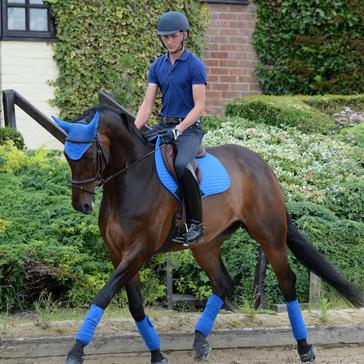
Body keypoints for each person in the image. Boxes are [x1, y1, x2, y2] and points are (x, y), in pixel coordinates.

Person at [134, 10, 206, 244]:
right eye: (165, 37)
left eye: (173, 36)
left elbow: (199, 107)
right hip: (164, 125)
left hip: (189, 129)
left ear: (184, 35)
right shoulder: (157, 66)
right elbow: (147, 104)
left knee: (182, 164)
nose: (169, 41)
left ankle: (196, 224)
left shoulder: (195, 65)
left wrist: (180, 129)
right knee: (135, 155)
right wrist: (135, 129)